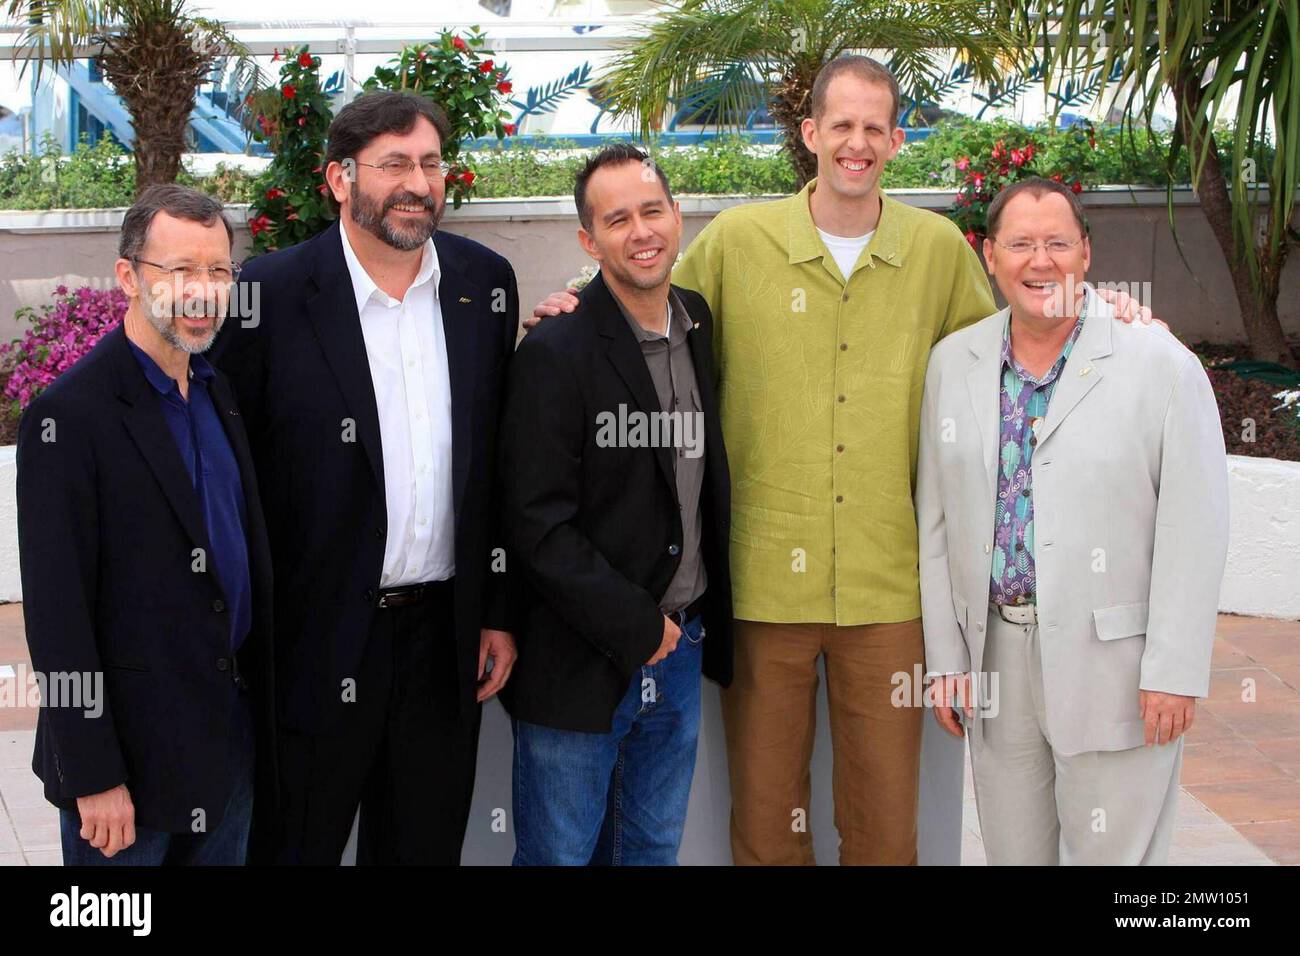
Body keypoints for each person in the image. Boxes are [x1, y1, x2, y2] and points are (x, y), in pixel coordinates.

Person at [528, 56, 1163, 865]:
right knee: (764, 822)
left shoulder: (935, 250)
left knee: (885, 824)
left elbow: (1021, 339)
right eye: (841, 126)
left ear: (897, 139)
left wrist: (1103, 304)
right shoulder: (737, 243)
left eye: (874, 127)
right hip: (763, 587)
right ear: (809, 133)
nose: (856, 144)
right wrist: (572, 303)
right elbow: (644, 307)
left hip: (889, 586)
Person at [212, 90, 519, 865]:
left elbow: (500, 462)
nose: (418, 182)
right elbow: (228, 467)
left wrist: (497, 608)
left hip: (444, 643)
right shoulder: (270, 295)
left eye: (430, 162)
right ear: (340, 179)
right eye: (393, 165)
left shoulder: (484, 284)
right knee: (293, 849)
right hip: (313, 643)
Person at [917, 176, 1229, 864]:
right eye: (1021, 244)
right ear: (989, 255)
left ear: (1086, 253)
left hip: (1114, 666)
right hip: (997, 663)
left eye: (1058, 242)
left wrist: (1173, 669)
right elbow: (935, 524)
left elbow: (1195, 528)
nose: (1040, 261)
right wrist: (947, 660)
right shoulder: (953, 365)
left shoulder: (1161, 366)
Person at [18, 184, 276, 865]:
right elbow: (56, 614)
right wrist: (93, 774)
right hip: (127, 773)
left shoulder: (217, 393)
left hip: (227, 751)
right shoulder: (70, 417)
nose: (203, 291)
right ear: (129, 277)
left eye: (219, 272)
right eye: (181, 270)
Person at [499, 144, 733, 865]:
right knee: (560, 857)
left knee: (650, 849)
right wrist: (637, 627)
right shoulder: (555, 350)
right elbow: (535, 525)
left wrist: (672, 635)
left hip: (680, 652)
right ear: (588, 240)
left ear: (678, 216)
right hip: (579, 665)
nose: (642, 231)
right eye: (618, 218)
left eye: (653, 210)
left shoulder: (697, 323)